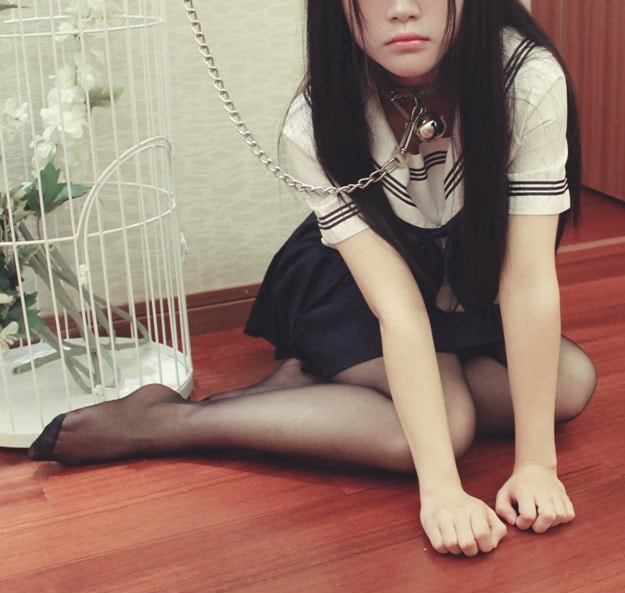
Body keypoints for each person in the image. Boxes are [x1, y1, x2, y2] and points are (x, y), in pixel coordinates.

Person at [29, 0, 597, 558]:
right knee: (445, 427)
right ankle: (175, 422)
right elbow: (397, 308)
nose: (401, 9)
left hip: (457, 281)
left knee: (568, 384)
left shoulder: (525, 79)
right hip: (350, 282)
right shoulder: (316, 116)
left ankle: (313, 388)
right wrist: (442, 492)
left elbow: (526, 283)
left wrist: (536, 465)